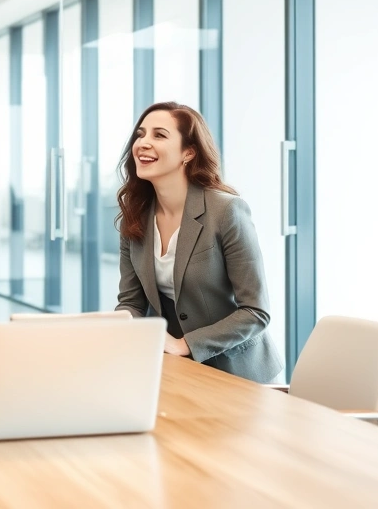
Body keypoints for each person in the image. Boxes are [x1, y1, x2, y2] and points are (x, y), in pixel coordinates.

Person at [115, 101, 282, 383]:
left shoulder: (226, 211)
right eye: (140, 134)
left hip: (239, 375)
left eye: (159, 135)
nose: (143, 143)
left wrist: (184, 345)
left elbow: (256, 311)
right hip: (177, 372)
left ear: (188, 153)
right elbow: (131, 303)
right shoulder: (135, 217)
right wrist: (119, 328)